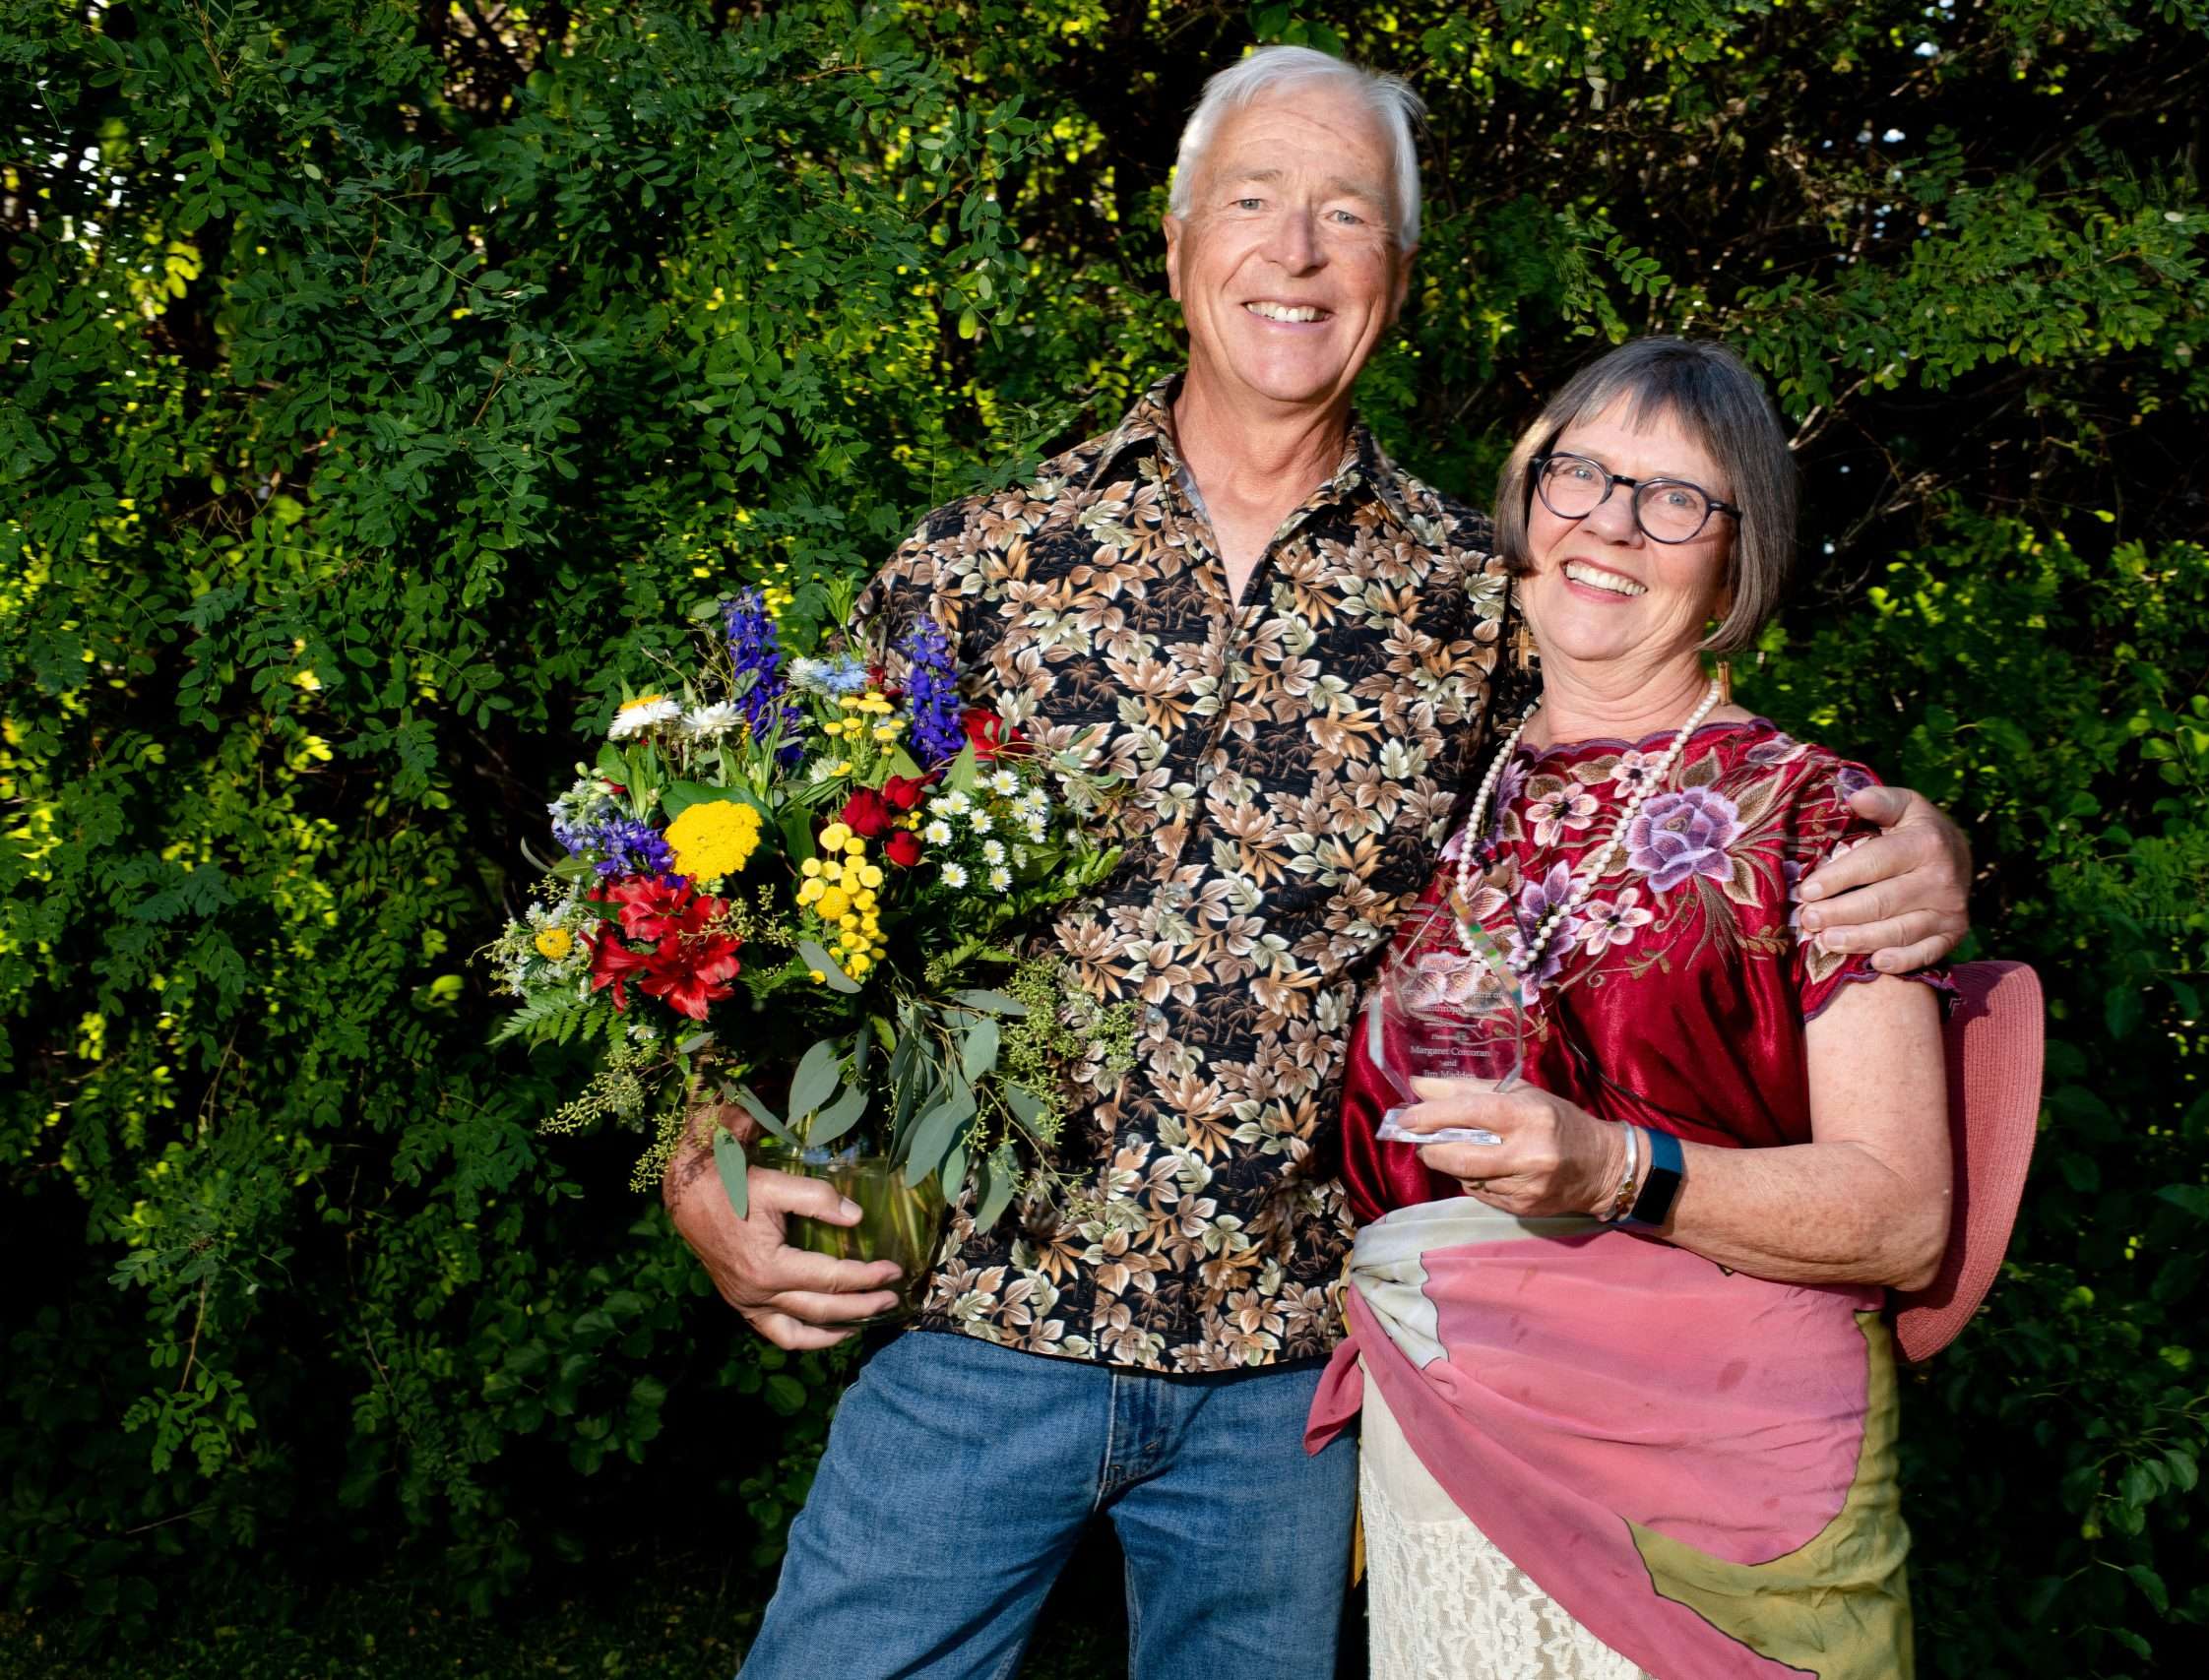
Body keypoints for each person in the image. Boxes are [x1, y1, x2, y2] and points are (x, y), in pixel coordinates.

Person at [663, 48, 1973, 1680]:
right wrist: (701, 1151)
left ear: (1397, 279)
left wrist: (1917, 847)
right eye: (1256, 202)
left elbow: (1657, 769)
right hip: (980, 1328)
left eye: (1345, 214)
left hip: (1300, 1385)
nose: (1294, 252)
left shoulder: (1482, 598)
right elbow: (776, 909)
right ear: (1178, 240)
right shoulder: (977, 565)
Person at [1309, 336, 1951, 1679]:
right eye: (1580, 474)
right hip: (1453, 1457)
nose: (1609, 523)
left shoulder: (1816, 815)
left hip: (1730, 1486)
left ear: (1737, 557)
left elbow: (1900, 1215)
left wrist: (1613, 1169)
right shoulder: (1432, 780)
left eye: (1673, 499)